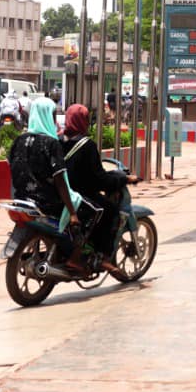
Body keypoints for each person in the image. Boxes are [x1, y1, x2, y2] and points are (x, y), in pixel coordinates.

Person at [61, 104, 141, 278]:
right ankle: (103, 257)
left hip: (62, 195)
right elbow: (99, 180)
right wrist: (123, 179)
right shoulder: (87, 145)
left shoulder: (60, 141)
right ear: (84, 121)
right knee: (110, 211)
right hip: (81, 196)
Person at [7, 95, 79, 260]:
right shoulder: (51, 143)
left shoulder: (19, 140)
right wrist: (72, 212)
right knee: (85, 213)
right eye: (53, 115)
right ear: (48, 117)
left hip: (21, 199)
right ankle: (74, 259)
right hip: (46, 203)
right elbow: (60, 179)